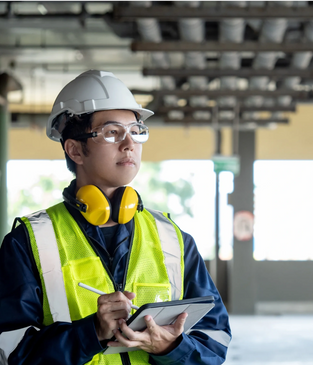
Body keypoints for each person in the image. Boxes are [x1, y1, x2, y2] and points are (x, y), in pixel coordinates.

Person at [0, 70, 231, 365]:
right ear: (74, 150)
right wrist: (91, 332)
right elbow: (9, 352)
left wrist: (171, 348)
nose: (129, 143)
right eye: (112, 132)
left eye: (136, 130)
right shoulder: (29, 242)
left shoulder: (173, 240)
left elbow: (215, 340)